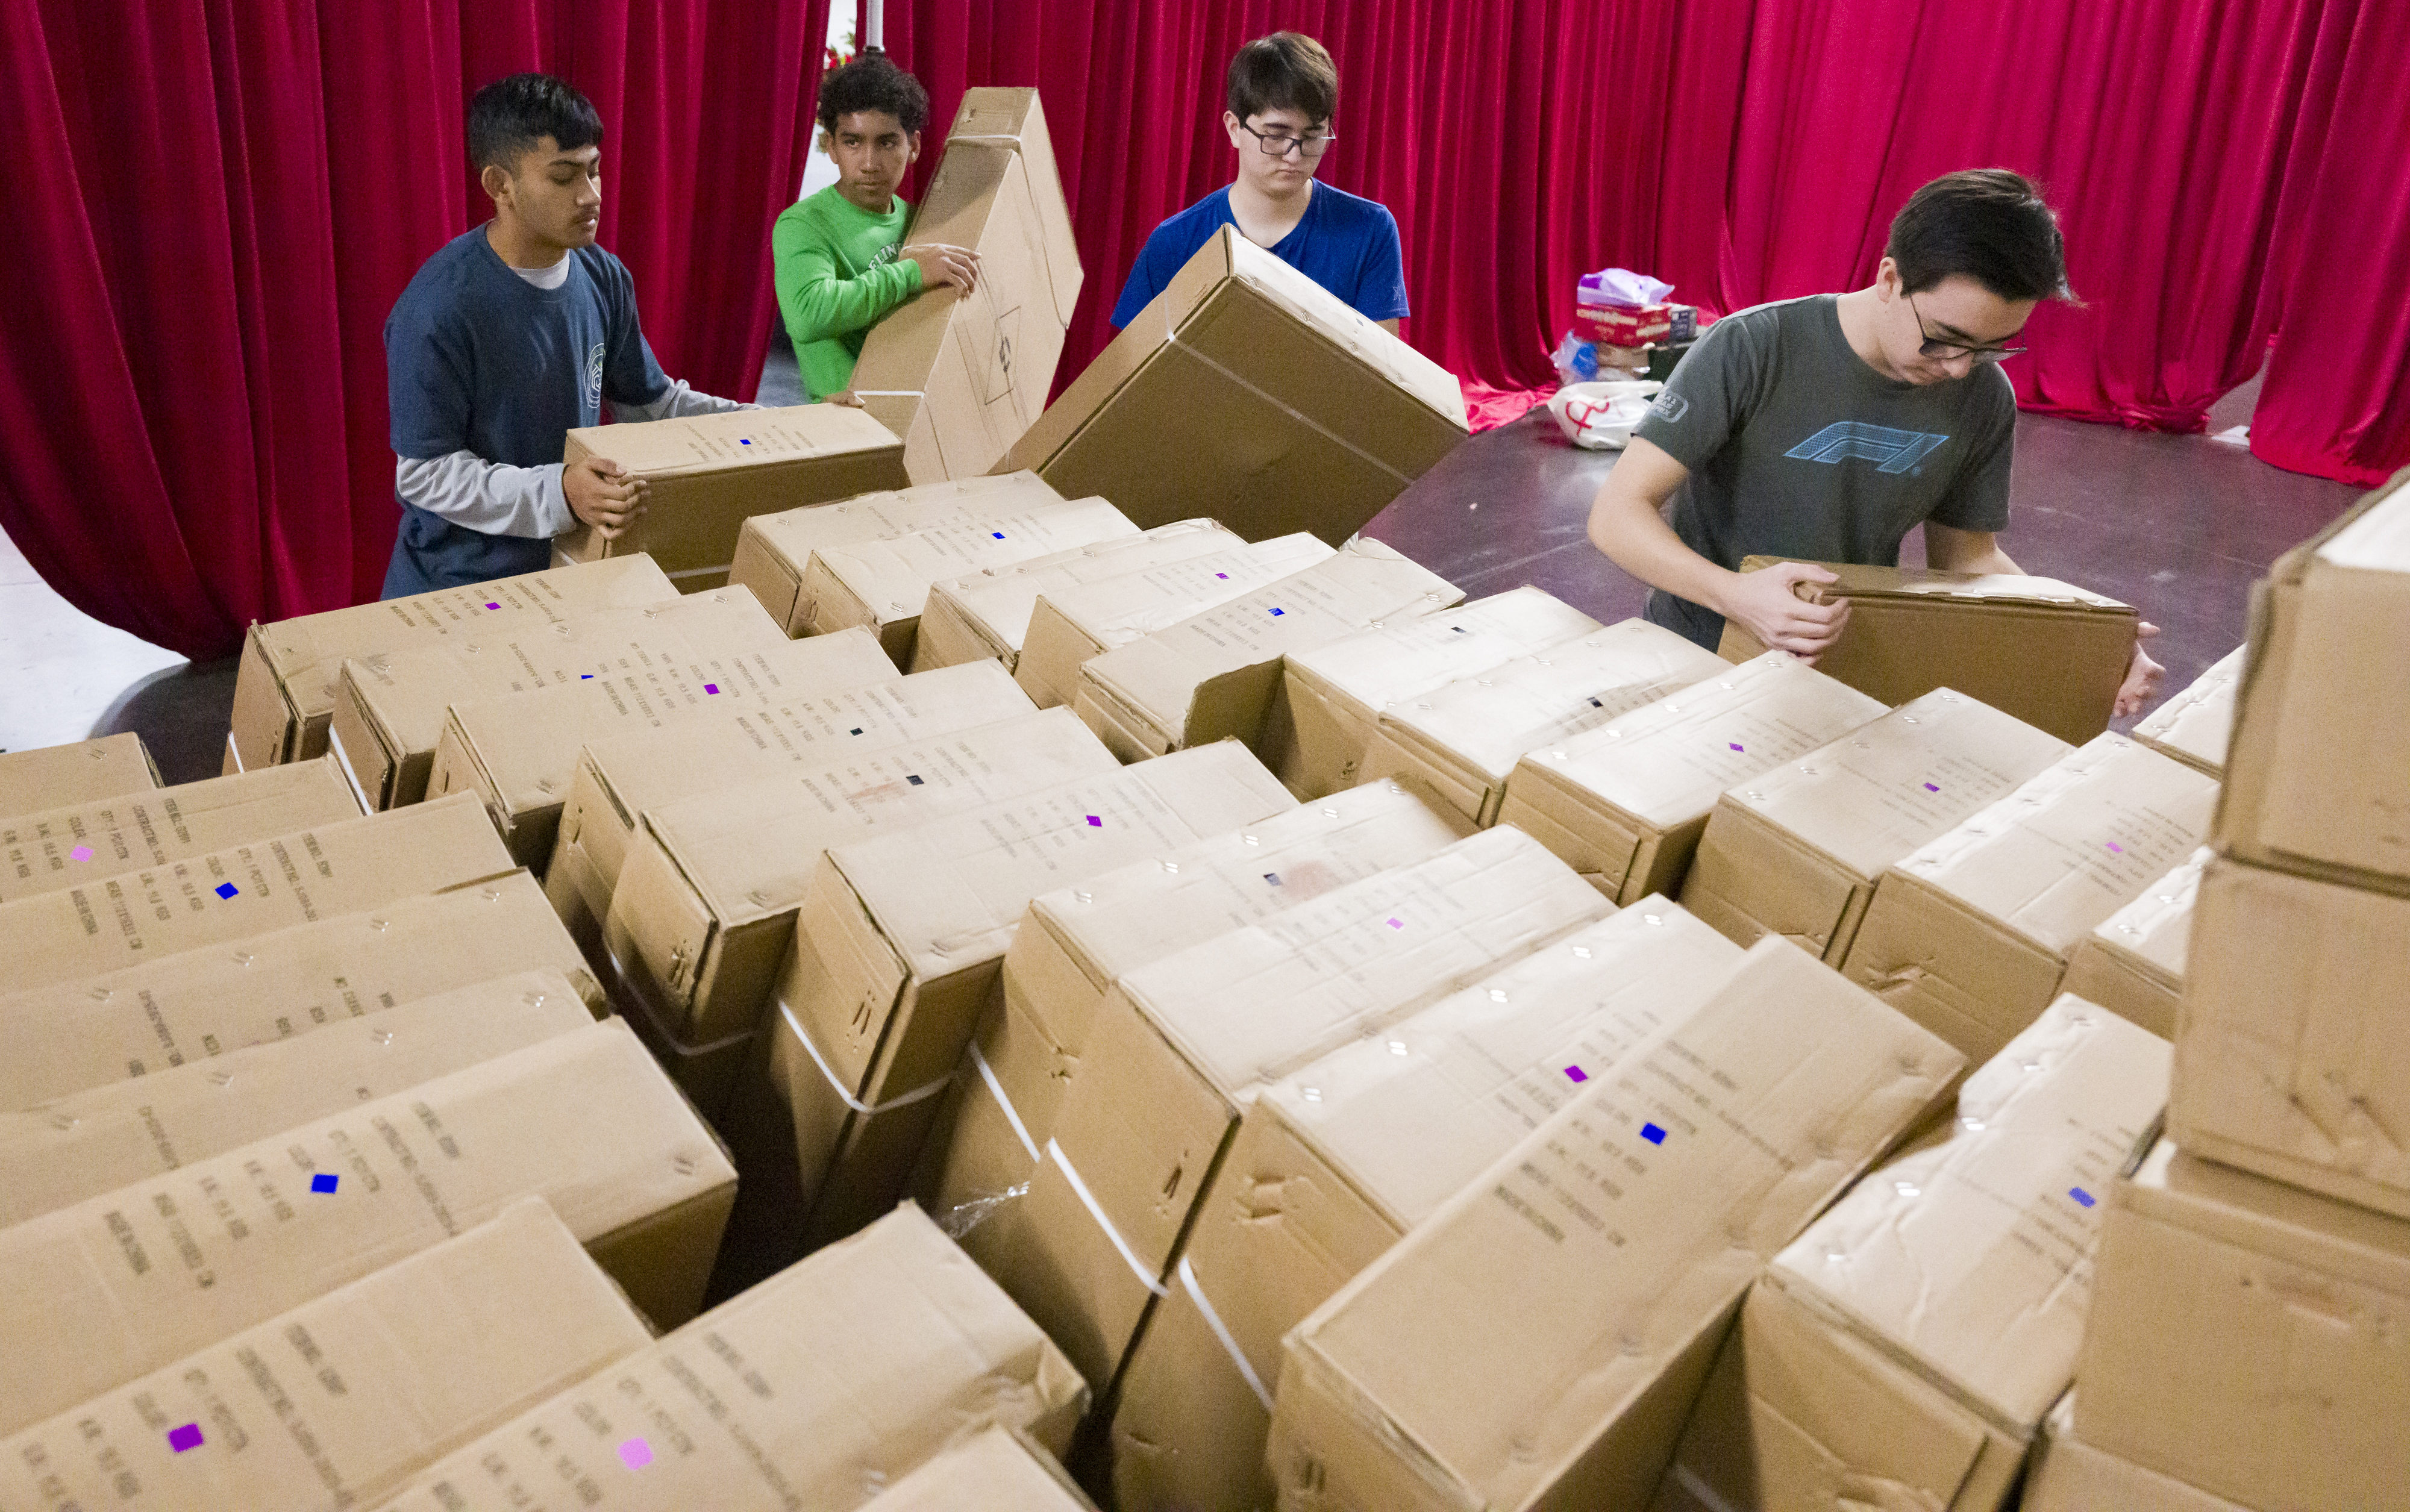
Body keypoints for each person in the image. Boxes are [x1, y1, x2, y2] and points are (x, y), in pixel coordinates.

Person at [1586, 169, 2164, 716]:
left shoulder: (1985, 398)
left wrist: (2089, 637)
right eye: (1945, 339)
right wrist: (1735, 596)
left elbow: (1969, 558)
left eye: (1993, 347)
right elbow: (1617, 515)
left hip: (1836, 667)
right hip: (1698, 652)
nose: (1961, 369)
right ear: (1890, 279)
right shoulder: (1756, 346)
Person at [382, 73, 758, 598]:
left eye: (595, 171)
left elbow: (653, 406)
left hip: (569, 571)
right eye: (564, 178)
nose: (590, 196)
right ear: (500, 185)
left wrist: (792, 423)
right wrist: (559, 492)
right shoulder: (439, 309)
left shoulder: (602, 275)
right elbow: (424, 474)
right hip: (459, 589)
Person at [1110, 32, 1407, 335]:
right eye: (1276, 134)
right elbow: (1136, 371)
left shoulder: (1370, 230)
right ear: (1235, 128)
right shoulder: (1173, 243)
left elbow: (1379, 374)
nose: (1294, 155)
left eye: (1312, 136)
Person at [772, 54, 980, 401]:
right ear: (831, 147)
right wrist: (911, 274)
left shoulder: (921, 222)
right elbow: (808, 314)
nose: (869, 163)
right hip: (845, 426)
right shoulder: (803, 224)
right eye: (853, 142)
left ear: (912, 146)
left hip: (922, 411)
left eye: (886, 143)